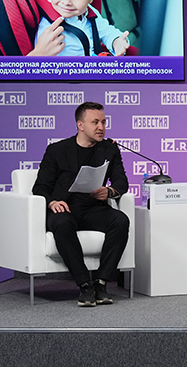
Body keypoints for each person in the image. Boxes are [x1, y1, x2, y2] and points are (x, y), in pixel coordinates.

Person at [32, 101, 130, 307]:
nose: (101, 127)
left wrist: (109, 191)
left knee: (120, 220)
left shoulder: (110, 148)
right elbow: (40, 187)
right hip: (65, 208)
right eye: (95, 122)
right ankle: (85, 285)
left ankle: (101, 283)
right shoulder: (57, 150)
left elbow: (121, 182)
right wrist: (52, 202)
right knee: (62, 223)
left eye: (103, 122)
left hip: (94, 209)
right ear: (80, 125)